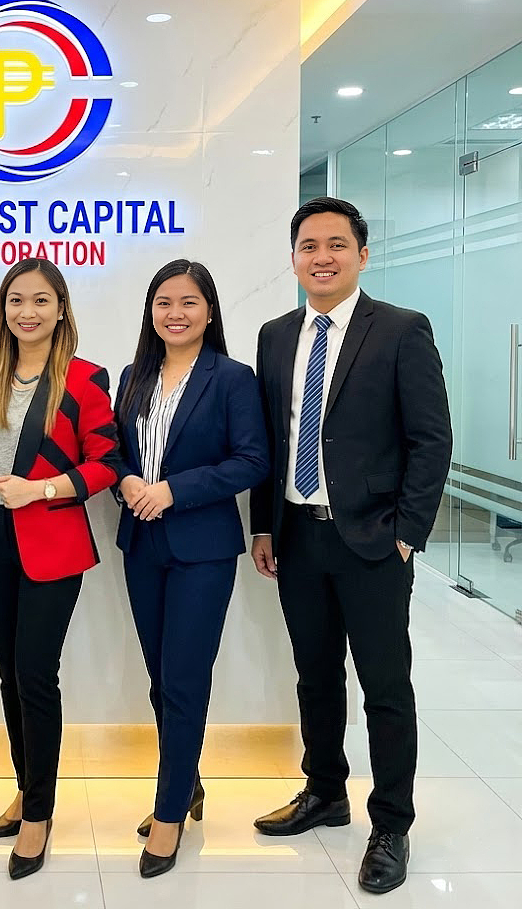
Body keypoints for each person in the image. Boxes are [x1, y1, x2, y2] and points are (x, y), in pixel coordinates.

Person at [250, 196, 453, 895]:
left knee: (385, 687)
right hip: (298, 536)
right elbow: (272, 441)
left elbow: (431, 440)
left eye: (336, 244)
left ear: (362, 255)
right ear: (294, 259)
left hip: (373, 543)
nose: (323, 257)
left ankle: (391, 822)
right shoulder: (275, 336)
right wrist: (264, 524)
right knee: (314, 676)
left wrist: (407, 535)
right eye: (309, 246)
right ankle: (325, 791)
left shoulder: (399, 330)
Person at [0, 258, 119, 881]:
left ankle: (40, 814)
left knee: (36, 677)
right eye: (16, 300)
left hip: (52, 544)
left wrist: (41, 490)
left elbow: (107, 463)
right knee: (8, 676)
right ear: (3, 309)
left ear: (61, 308)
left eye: (41, 300)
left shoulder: (84, 379)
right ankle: (26, 788)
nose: (28, 311)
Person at [113, 259, 269, 878]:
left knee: (183, 679)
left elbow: (251, 461)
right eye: (164, 303)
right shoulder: (133, 375)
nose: (175, 314)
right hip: (142, 544)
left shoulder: (232, 378)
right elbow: (115, 452)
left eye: (188, 303)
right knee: (160, 679)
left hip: (202, 547)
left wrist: (175, 491)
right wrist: (127, 481)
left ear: (209, 312)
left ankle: (169, 812)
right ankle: (188, 782)